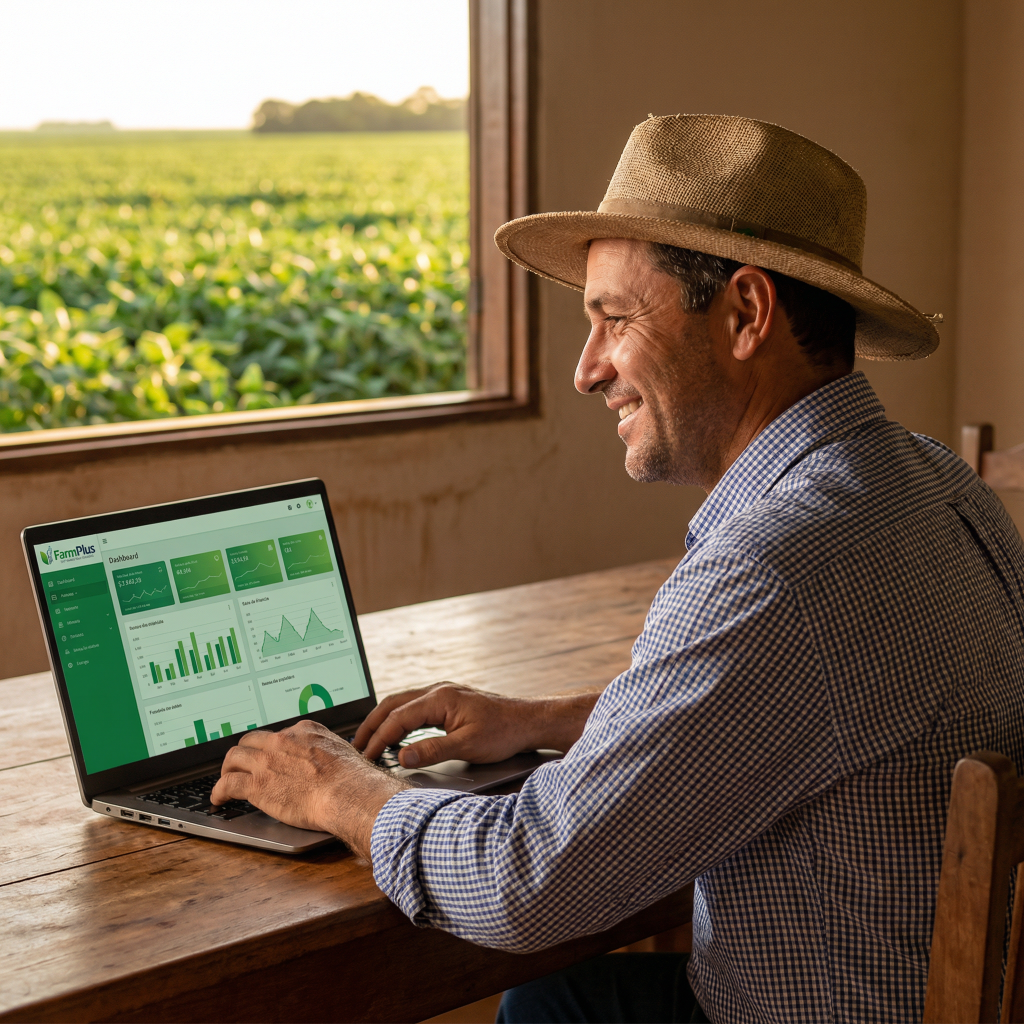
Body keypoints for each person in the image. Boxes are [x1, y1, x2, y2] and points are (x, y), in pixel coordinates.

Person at [211, 115, 1024, 1023]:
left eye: (613, 319)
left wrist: (340, 790)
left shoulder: (773, 564)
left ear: (747, 314)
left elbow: (531, 883)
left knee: (547, 986)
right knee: (558, 997)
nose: (585, 371)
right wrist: (552, 720)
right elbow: (811, 707)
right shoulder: (931, 482)